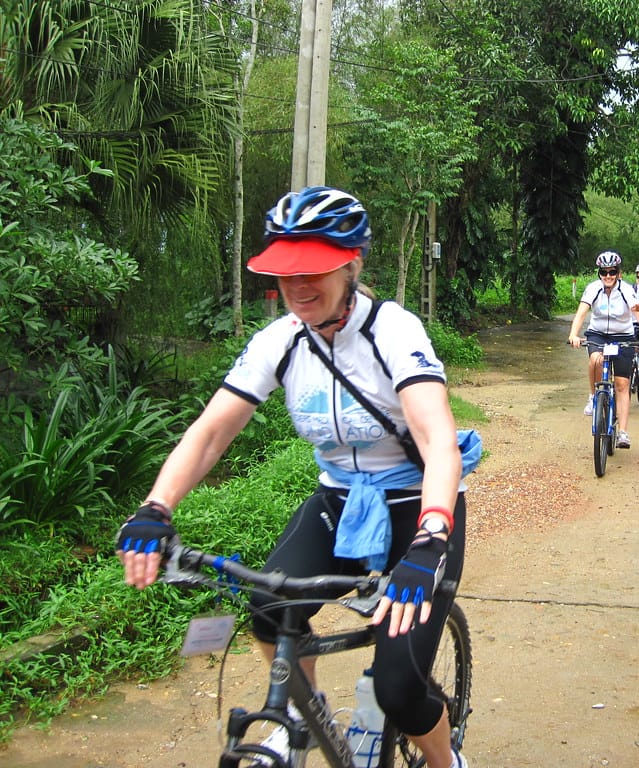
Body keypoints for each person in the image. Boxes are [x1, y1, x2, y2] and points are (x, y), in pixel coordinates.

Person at [116, 186, 478, 768]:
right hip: (340, 500)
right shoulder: (279, 341)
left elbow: (438, 439)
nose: (298, 286)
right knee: (268, 604)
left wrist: (432, 536)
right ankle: (302, 716)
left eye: (314, 270)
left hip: (419, 504)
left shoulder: (393, 331)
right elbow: (210, 433)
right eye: (287, 272)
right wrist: (155, 507)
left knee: (400, 688)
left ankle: (445, 760)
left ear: (351, 265)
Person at [568, 251, 639, 449]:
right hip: (598, 334)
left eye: (612, 272)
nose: (608, 276)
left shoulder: (626, 290)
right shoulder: (593, 289)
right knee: (595, 359)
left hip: (623, 337)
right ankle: (593, 396)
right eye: (604, 272)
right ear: (599, 273)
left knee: (622, 384)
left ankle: (623, 432)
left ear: (618, 272)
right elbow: (581, 313)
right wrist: (573, 334)